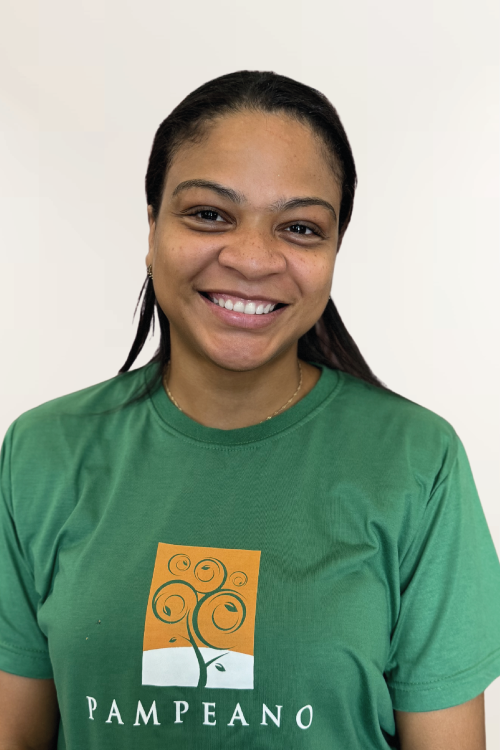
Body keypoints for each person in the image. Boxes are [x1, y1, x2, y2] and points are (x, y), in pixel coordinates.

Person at [0, 70, 499, 750]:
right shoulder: (42, 452)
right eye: (210, 214)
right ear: (151, 226)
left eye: (299, 227)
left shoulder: (417, 462)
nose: (254, 258)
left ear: (334, 250)